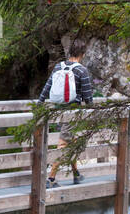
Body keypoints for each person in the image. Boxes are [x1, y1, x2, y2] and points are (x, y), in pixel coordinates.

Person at [37, 39, 95, 185]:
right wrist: (93, 112)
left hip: (59, 111)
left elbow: (47, 86)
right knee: (63, 144)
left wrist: (40, 102)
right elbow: (88, 96)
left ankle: (76, 174)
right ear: (82, 54)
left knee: (71, 141)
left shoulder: (58, 67)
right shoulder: (82, 70)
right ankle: (50, 178)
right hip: (73, 112)